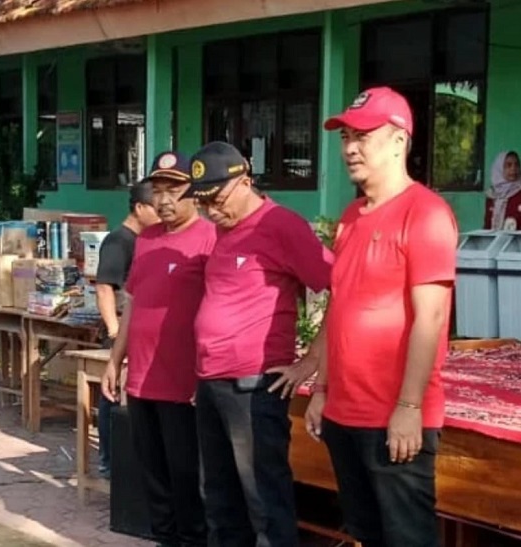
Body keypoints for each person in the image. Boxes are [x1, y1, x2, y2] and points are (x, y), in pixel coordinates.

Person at [307, 86, 458, 547]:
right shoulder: (352, 216)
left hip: (394, 417)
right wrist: (322, 390)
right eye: (345, 137)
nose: (350, 148)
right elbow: (340, 306)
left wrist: (409, 408)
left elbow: (431, 318)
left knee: (407, 538)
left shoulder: (425, 213)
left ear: (398, 141)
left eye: (363, 136)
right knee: (365, 534)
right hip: (344, 414)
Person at [181, 141, 333, 547]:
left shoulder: (281, 225)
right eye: (202, 203)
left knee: (263, 501)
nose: (210, 211)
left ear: (245, 182)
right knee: (219, 500)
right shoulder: (222, 230)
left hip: (253, 385)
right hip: (211, 382)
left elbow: (342, 288)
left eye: (216, 200)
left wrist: (311, 361)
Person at [101, 150, 214, 547]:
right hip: (142, 380)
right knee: (153, 477)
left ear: (194, 193)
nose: (164, 200)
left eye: (174, 190)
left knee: (187, 479)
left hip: (183, 384)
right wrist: (115, 360)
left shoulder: (209, 239)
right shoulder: (146, 240)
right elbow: (132, 303)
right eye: (158, 190)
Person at [94, 181, 159, 479]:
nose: (162, 212)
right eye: (156, 207)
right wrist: (114, 331)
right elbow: (104, 288)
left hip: (138, 333)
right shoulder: (119, 241)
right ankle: (109, 461)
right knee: (112, 396)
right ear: (140, 208)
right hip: (120, 331)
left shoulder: (148, 241)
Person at [484, 150, 521, 230]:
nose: (513, 169)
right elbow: (487, 226)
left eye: (517, 165)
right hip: (494, 238)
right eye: (508, 165)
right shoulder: (492, 195)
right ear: (499, 168)